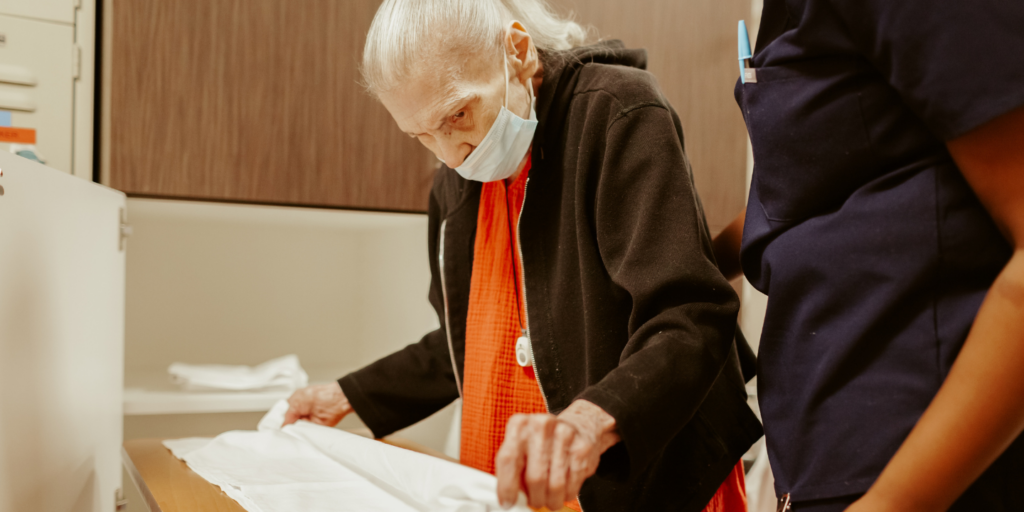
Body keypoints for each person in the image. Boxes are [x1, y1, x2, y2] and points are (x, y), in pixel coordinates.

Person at [283, 0, 763, 510]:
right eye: (422, 136)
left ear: (517, 52)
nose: (450, 155)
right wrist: (347, 394)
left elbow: (689, 316)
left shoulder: (616, 112)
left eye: (458, 115)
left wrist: (588, 423)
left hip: (649, 478)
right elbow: (462, 342)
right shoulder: (454, 183)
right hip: (512, 485)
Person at [717, 1, 1024, 510]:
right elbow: (811, 199)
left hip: (923, 464)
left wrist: (887, 503)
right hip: (823, 461)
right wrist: (679, 267)